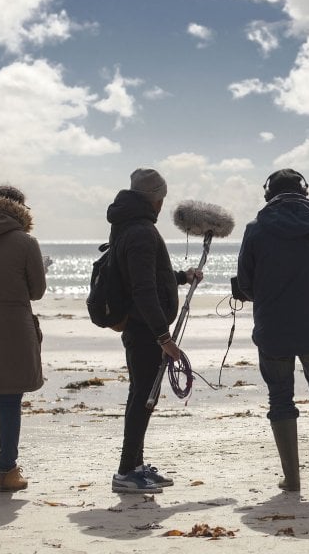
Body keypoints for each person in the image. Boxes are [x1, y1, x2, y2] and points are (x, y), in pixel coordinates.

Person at [236, 168, 309, 491]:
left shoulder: (256, 229)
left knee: (280, 398)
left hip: (272, 327)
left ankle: (292, 478)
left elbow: (245, 284)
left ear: (267, 194)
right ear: (304, 190)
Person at [108, 168, 202, 494]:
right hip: (144, 329)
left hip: (142, 326)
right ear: (155, 198)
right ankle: (125, 471)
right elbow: (143, 289)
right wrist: (165, 338)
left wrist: (181, 277)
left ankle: (136, 464)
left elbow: (146, 276)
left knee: (144, 395)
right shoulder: (141, 232)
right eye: (161, 197)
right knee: (142, 398)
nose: (163, 203)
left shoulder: (129, 226)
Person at [0, 185, 46, 492]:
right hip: (13, 327)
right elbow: (36, 291)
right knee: (11, 400)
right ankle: (8, 471)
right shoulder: (26, 242)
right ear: (21, 209)